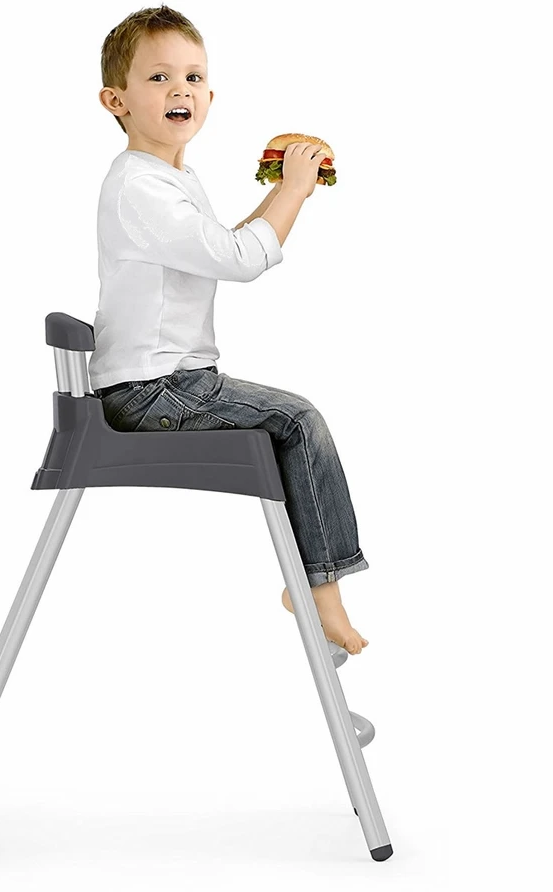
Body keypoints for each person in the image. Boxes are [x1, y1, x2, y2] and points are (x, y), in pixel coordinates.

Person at [90, 5, 369, 654]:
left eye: (193, 77)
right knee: (299, 420)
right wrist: (292, 191)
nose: (180, 89)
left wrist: (285, 191)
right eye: (158, 77)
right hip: (154, 390)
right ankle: (319, 588)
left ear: (211, 96)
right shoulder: (140, 188)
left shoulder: (172, 180)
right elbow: (241, 259)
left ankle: (311, 579)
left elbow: (224, 244)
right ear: (116, 101)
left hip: (170, 383)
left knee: (291, 422)